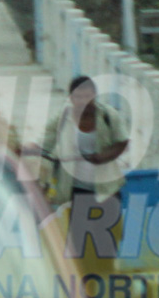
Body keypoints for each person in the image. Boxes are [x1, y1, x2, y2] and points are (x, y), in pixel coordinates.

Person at [28, 76, 130, 273]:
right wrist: (26, 150)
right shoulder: (61, 119)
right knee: (80, 243)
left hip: (107, 189)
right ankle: (87, 287)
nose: (83, 100)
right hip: (77, 191)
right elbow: (44, 143)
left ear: (95, 96)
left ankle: (106, 282)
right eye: (78, 96)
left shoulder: (108, 116)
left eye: (87, 95)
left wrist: (102, 157)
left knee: (107, 240)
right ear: (71, 98)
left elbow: (122, 142)